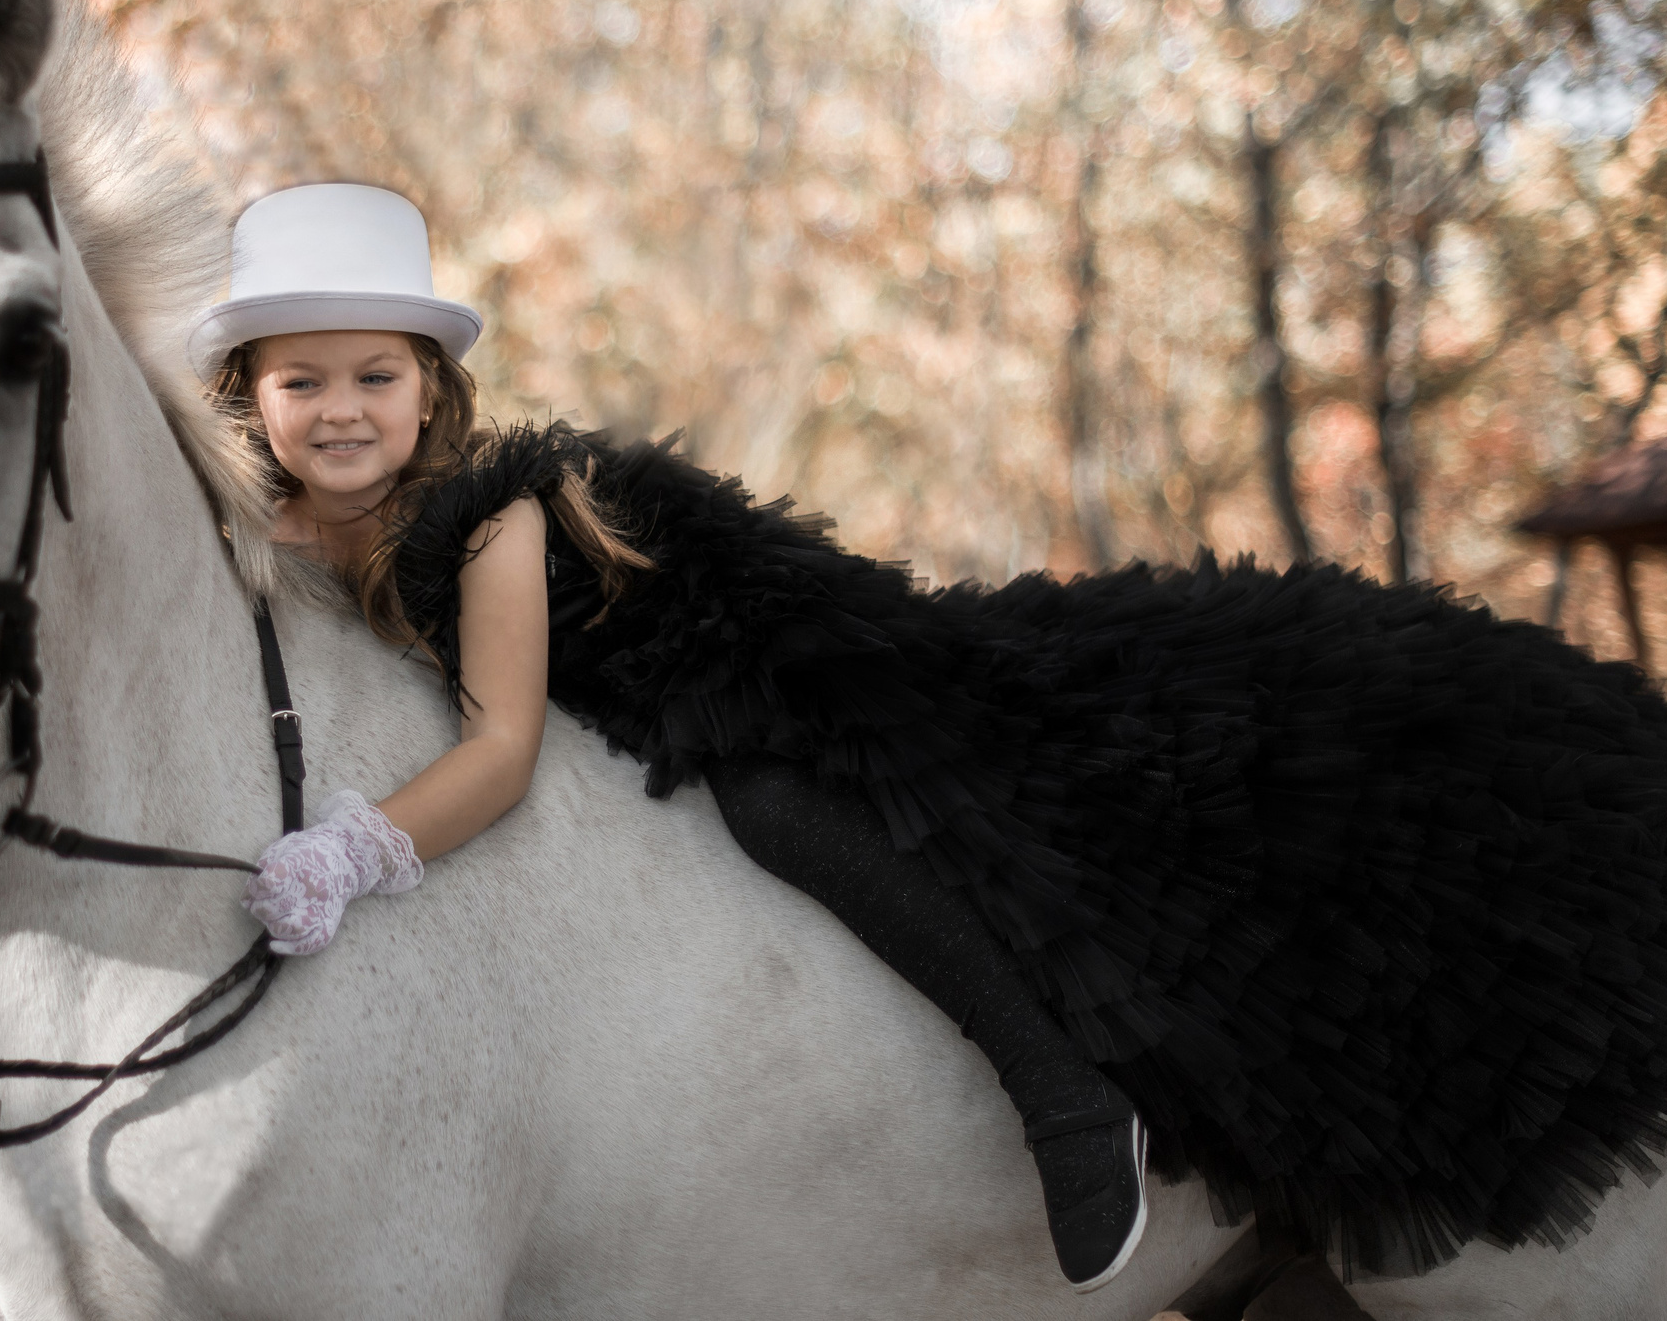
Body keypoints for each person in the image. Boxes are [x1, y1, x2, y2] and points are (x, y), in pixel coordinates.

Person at [193, 183, 1154, 1292]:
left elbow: (501, 751)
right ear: (248, 394)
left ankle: (1068, 1095)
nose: (340, 410)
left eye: (376, 376)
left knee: (778, 806)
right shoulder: (249, 530)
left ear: (428, 388)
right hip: (601, 702)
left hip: (711, 645)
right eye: (299, 381)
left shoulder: (488, 516)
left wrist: (351, 850)